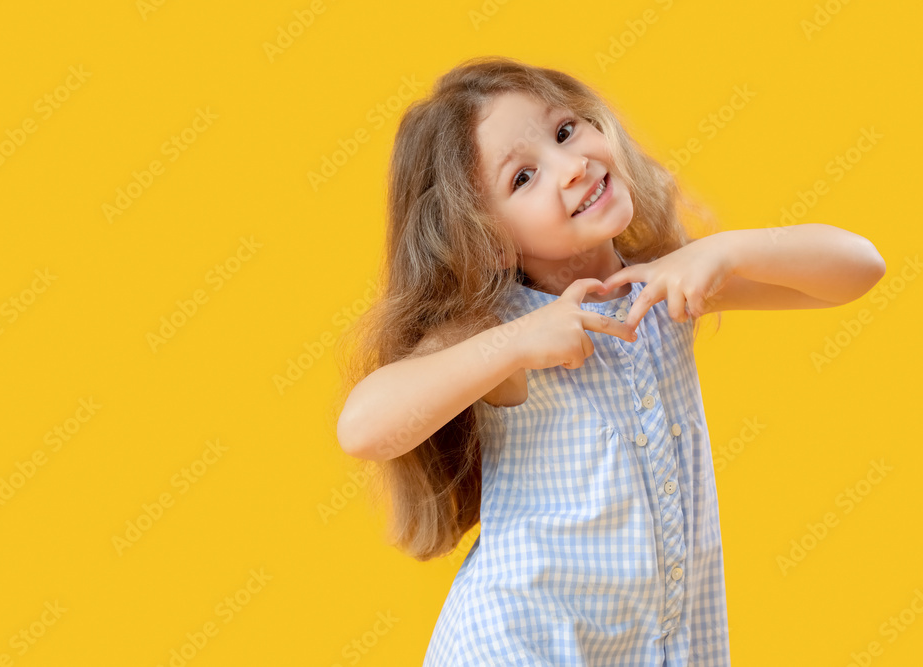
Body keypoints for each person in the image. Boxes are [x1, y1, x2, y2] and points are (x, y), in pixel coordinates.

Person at [333, 55, 885, 666]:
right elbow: (363, 427)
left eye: (566, 131)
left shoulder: (665, 287)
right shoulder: (495, 329)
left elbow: (859, 268)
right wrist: (515, 343)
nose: (572, 167)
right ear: (484, 241)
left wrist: (727, 251)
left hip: (651, 646)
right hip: (522, 647)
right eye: (523, 177)